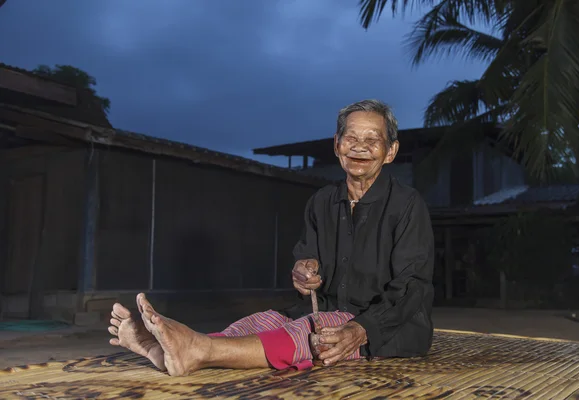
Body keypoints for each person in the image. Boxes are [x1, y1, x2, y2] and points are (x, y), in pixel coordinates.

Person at [108, 99, 435, 377]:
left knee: (304, 335)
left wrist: (360, 329)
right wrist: (303, 272)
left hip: (386, 326)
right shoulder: (321, 201)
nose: (360, 147)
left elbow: (413, 288)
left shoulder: (407, 205)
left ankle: (196, 349)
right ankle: (165, 351)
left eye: (372, 139)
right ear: (337, 145)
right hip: (326, 310)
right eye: (351, 137)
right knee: (258, 321)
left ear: (390, 151)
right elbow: (306, 261)